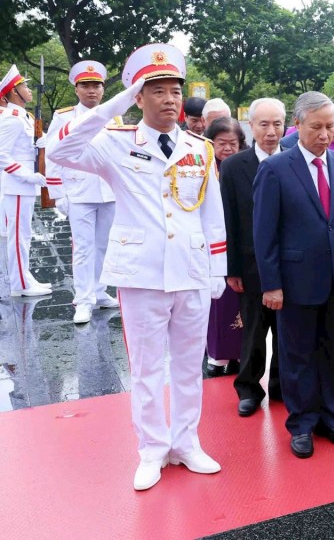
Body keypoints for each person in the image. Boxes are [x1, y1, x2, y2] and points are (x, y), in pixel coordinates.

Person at [49, 44, 226, 491]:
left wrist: (217, 268)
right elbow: (62, 150)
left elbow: (211, 212)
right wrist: (114, 103)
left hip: (189, 270)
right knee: (146, 368)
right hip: (141, 274)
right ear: (139, 97)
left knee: (188, 366)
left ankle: (186, 443)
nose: (170, 99)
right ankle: (151, 449)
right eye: (158, 91)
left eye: (175, 91)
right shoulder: (114, 143)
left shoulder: (199, 148)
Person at [253, 92, 334, 459]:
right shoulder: (275, 168)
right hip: (295, 280)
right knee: (298, 354)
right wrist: (271, 284)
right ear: (298, 124)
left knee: (333, 352)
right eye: (317, 127)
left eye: (332, 126)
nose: (325, 134)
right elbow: (264, 234)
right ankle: (301, 423)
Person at [220, 98, 286, 417]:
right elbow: (229, 221)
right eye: (264, 124)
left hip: (291, 263)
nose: (271, 131)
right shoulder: (234, 167)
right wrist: (231, 268)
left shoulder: (296, 161)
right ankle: (248, 388)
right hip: (250, 264)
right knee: (254, 331)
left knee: (288, 331)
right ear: (251, 126)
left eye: (277, 124)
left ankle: (280, 386)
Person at [44, 61, 117, 321]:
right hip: (79, 190)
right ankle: (83, 299)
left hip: (108, 191)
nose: (92, 91)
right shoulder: (64, 117)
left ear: (103, 89)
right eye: (86, 86)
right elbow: (51, 156)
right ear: (77, 89)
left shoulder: (112, 116)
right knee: (83, 247)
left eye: (96, 85)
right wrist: (58, 193)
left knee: (104, 245)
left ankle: (100, 291)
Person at [0, 66, 52, 298]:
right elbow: (2, 154)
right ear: (14, 92)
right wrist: (27, 176)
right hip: (17, 185)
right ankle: (20, 284)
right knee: (19, 236)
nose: (29, 90)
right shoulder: (12, 119)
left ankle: (24, 276)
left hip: (24, 185)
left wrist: (39, 145)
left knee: (25, 234)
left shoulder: (25, 116)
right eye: (25, 87)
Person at [202, 117, 247, 376]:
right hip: (214, 244)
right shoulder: (204, 165)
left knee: (243, 301)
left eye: (234, 143)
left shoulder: (244, 166)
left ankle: (241, 354)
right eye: (222, 143)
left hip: (239, 242)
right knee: (218, 300)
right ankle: (217, 355)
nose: (228, 149)